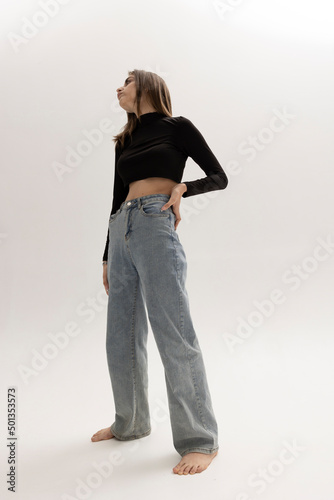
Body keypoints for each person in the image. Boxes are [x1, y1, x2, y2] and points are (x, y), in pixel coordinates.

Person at [91, 69, 228, 475]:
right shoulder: (125, 141)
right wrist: (106, 255)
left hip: (155, 221)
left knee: (174, 332)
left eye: (127, 81)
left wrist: (183, 189)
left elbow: (219, 177)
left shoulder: (178, 127)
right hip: (122, 229)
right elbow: (116, 198)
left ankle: (200, 439)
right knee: (120, 334)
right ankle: (130, 423)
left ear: (148, 86)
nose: (118, 86)